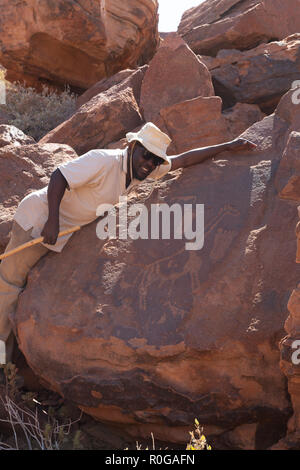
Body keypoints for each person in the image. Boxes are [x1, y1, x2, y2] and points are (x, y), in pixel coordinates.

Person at [0, 122, 256, 365]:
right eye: (147, 156)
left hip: (65, 228)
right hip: (38, 220)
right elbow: (59, 177)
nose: (150, 164)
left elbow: (183, 160)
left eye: (156, 160)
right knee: (9, 286)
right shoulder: (104, 160)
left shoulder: (141, 170)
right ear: (133, 147)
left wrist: (226, 146)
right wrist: (52, 221)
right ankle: (3, 364)